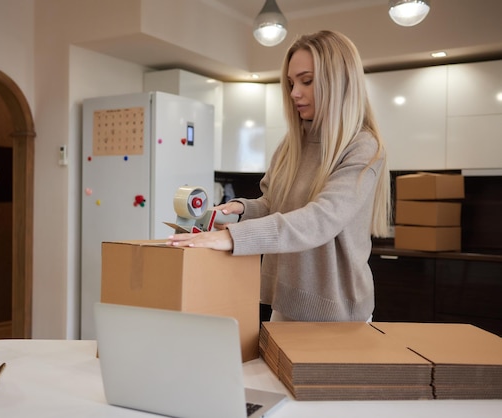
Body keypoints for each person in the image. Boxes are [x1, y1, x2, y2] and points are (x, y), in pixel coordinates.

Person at [167, 30, 391, 322]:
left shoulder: (363, 147)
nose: (294, 92)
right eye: (290, 83)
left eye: (306, 81)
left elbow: (319, 220)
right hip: (285, 303)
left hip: (338, 312)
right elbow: (277, 205)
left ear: (339, 82)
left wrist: (234, 238)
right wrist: (243, 210)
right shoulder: (292, 143)